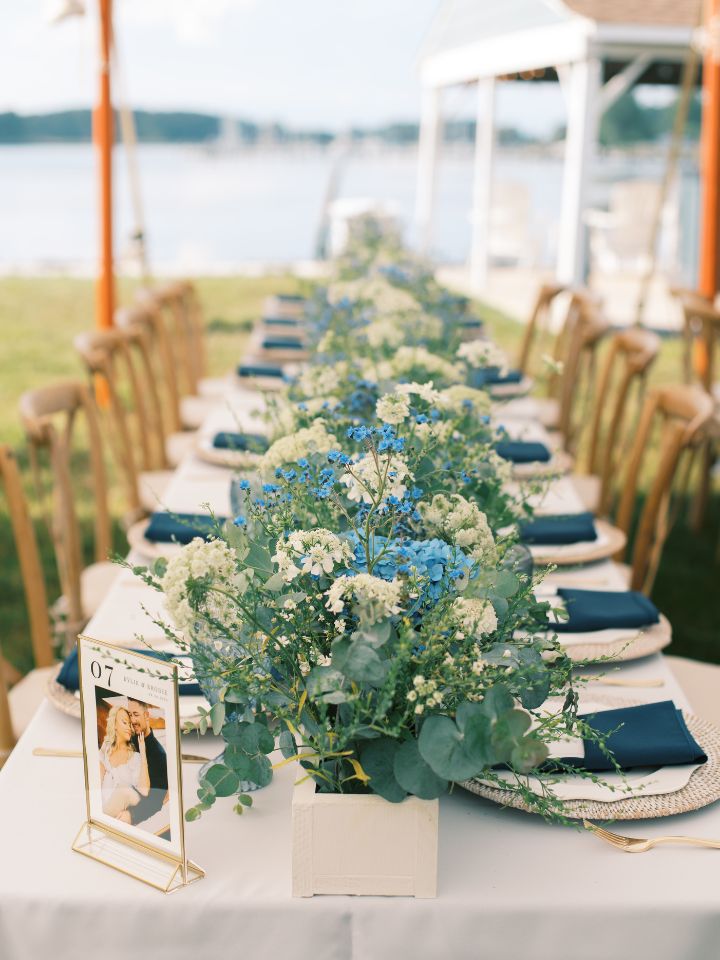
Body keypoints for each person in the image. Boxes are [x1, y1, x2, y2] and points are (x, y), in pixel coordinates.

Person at [99, 706, 150, 823]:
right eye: (124, 722)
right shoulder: (106, 749)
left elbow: (144, 791)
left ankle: (101, 819)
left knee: (124, 789)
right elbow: (97, 779)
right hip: (104, 804)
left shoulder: (135, 757)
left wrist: (143, 753)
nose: (129, 727)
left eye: (130, 725)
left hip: (125, 799)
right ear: (114, 725)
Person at [127, 698, 168, 826]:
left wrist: (131, 815)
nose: (133, 720)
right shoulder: (128, 739)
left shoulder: (159, 755)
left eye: (136, 714)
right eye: (130, 715)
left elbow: (155, 802)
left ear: (146, 715)